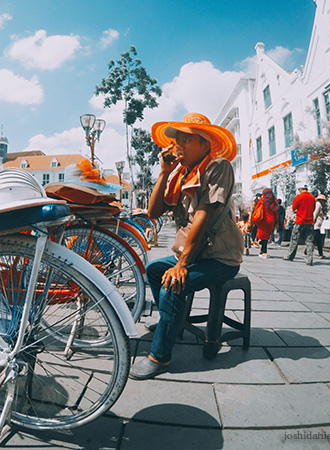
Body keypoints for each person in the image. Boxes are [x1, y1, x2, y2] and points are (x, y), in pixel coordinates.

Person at [129, 112, 243, 380]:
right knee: (155, 270)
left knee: (173, 283)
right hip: (193, 255)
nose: (177, 145)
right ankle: (172, 321)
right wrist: (163, 173)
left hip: (219, 257)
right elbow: (153, 211)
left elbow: (204, 214)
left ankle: (160, 356)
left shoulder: (218, 167)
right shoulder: (180, 174)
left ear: (205, 144)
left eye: (185, 139)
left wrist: (181, 265)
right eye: (176, 139)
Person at [283, 186, 316, 265]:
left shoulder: (299, 197)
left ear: (300, 189)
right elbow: (313, 209)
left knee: (294, 239)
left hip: (300, 221)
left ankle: (290, 256)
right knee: (309, 241)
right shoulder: (312, 198)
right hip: (310, 222)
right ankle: (309, 259)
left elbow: (294, 207)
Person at [251, 187, 279, 258]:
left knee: (262, 236)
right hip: (271, 221)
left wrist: (254, 217)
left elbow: (257, 209)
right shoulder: (273, 202)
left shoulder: (262, 200)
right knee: (266, 237)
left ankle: (264, 251)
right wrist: (277, 221)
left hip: (263, 220)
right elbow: (275, 212)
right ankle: (263, 251)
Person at [313, 193, 327, 259]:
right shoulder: (318, 205)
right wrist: (313, 222)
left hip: (317, 225)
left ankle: (306, 252)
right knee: (317, 241)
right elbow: (315, 214)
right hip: (316, 225)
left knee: (316, 240)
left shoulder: (319, 205)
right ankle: (320, 254)